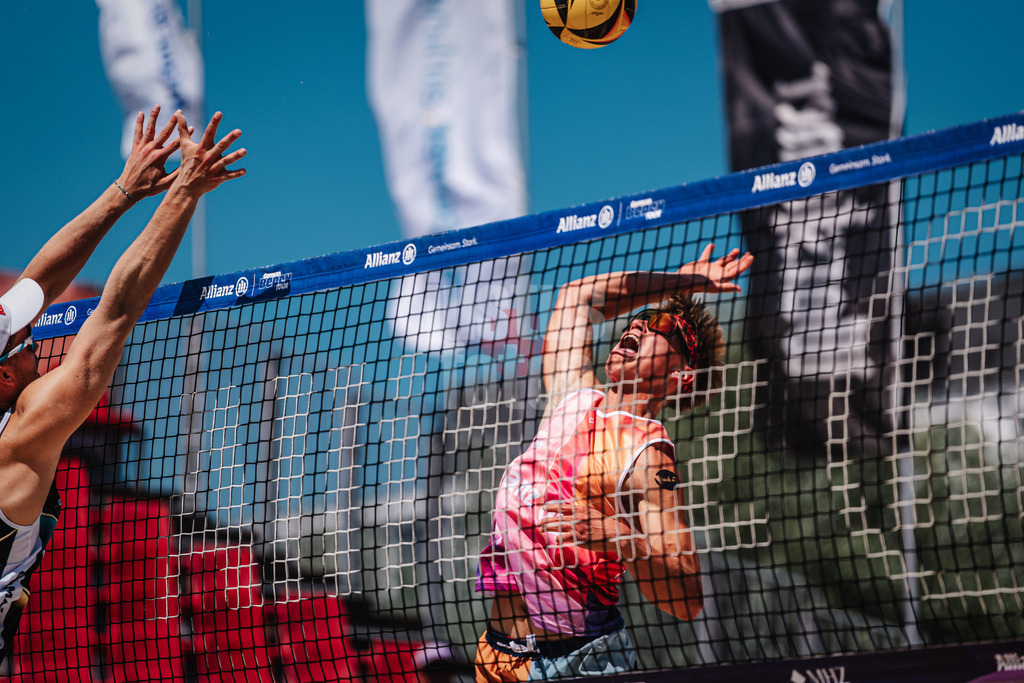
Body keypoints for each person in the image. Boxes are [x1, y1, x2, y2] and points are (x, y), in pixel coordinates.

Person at [0, 106, 245, 661]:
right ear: (5, 374)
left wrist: (124, 191)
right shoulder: (19, 440)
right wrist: (184, 191)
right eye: (23, 342)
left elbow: (38, 283)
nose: (34, 339)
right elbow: (116, 310)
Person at [474, 244, 754, 681]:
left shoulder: (649, 454)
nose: (639, 323)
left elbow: (688, 597)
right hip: (497, 656)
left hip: (575, 662)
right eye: (639, 318)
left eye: (661, 325)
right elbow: (576, 297)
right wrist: (685, 282)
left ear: (683, 375)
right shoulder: (572, 395)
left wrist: (622, 538)